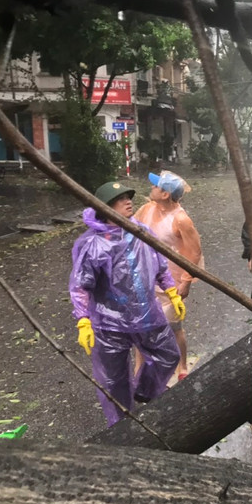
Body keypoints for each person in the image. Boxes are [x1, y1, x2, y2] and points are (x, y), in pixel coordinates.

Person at [69, 181, 185, 426]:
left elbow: (160, 265)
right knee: (115, 380)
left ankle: (145, 391)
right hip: (109, 324)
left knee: (168, 355)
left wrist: (172, 291)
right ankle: (122, 426)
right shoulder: (93, 244)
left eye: (128, 196)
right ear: (105, 207)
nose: (128, 201)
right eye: (120, 199)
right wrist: (83, 321)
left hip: (147, 315)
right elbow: (81, 286)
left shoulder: (141, 232)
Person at [135, 170, 204, 381]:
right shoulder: (147, 209)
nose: (151, 187)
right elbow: (130, 228)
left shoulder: (181, 219)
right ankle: (138, 370)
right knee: (142, 327)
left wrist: (186, 282)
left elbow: (195, 252)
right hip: (146, 278)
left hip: (171, 283)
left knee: (174, 327)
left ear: (165, 194)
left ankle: (182, 367)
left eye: (156, 186)